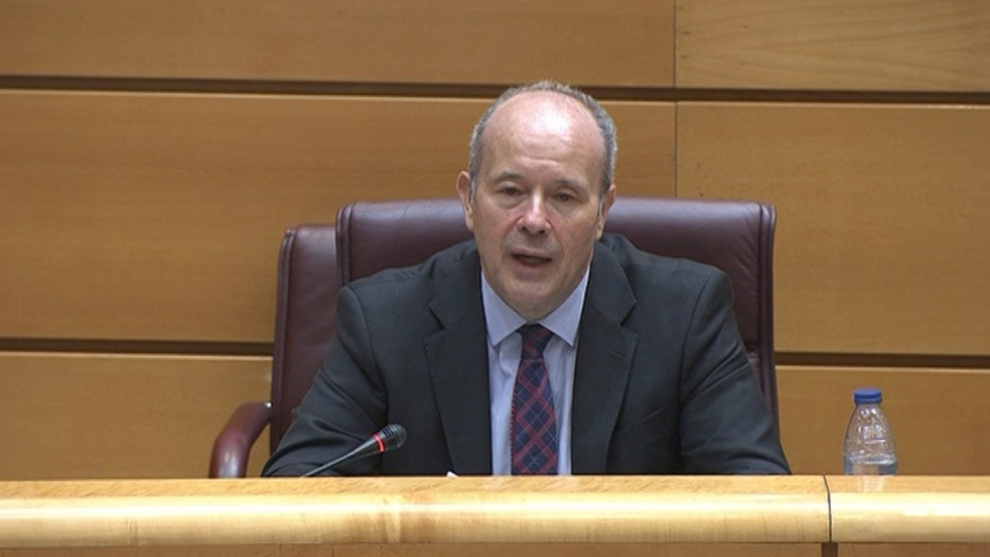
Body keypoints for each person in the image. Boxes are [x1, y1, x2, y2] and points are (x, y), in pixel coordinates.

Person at [262, 81, 789, 476]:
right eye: (510, 191)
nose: (534, 220)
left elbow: (758, 497)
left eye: (564, 196)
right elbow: (296, 488)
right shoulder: (383, 321)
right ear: (469, 201)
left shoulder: (686, 314)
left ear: (602, 213)